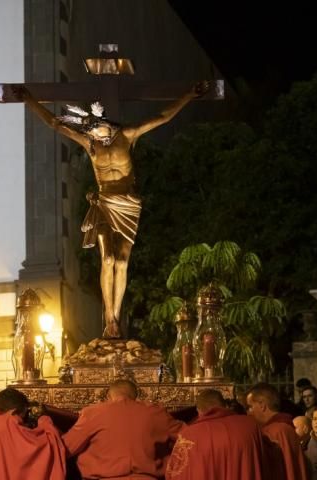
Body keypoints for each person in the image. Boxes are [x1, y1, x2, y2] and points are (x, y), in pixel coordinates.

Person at [16, 83, 209, 338]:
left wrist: (187, 95)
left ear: (102, 122)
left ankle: (116, 313)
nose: (92, 136)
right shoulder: (91, 144)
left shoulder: (128, 135)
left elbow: (162, 117)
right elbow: (56, 124)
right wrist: (30, 100)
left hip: (128, 205)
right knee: (107, 259)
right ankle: (110, 319)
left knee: (121, 260)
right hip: (104, 202)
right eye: (90, 134)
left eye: (94, 130)